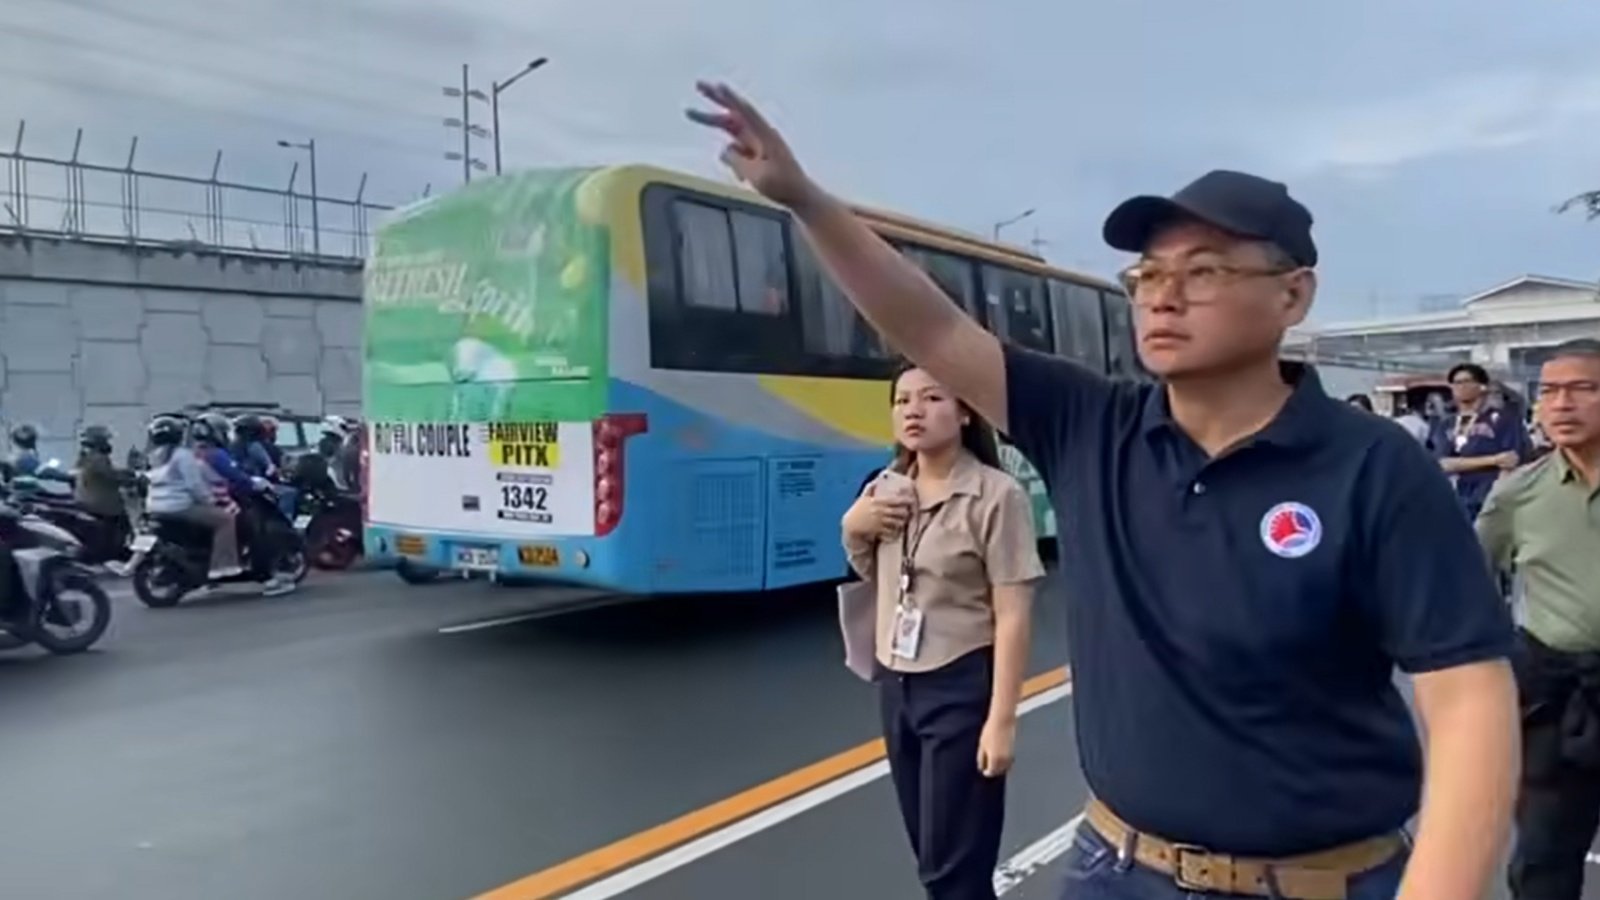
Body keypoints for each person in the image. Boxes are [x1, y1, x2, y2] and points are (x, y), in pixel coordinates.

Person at [686, 82, 1518, 900]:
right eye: (1146, 274)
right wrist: (803, 201)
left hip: (1318, 882)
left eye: (1203, 270)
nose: (1162, 293)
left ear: (1293, 294)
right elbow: (933, 328)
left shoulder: (1374, 466)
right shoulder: (1091, 425)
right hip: (1117, 869)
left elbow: (1470, 704)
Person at [841, 363, 1042, 899]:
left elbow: (1015, 611)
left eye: (931, 398)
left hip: (959, 686)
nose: (913, 410)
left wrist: (1001, 721)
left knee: (954, 870)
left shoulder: (996, 496)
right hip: (896, 684)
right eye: (902, 400)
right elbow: (871, 574)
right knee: (934, 857)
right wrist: (852, 525)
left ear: (964, 411)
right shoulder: (883, 490)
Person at [1476, 339, 1600, 900]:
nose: (1561, 405)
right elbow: (1467, 592)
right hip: (1557, 696)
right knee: (1544, 858)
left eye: (1583, 389)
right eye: (1549, 391)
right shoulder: (1517, 495)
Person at [193, 414, 295, 597]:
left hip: (204, 502)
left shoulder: (195, 453)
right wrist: (255, 483)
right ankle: (266, 578)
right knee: (256, 531)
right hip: (223, 500)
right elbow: (237, 476)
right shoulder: (216, 455)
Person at [143, 415, 242, 581]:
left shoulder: (153, 457)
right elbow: (194, 486)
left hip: (154, 507)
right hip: (179, 507)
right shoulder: (183, 456)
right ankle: (221, 566)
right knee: (225, 519)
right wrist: (210, 500)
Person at [1434, 363, 1523, 520]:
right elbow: (1443, 463)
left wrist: (1499, 496)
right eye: (1456, 383)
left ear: (1482, 386)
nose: (1461, 387)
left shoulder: (1503, 419)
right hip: (1457, 498)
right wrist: (1494, 460)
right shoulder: (1446, 424)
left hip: (1490, 497)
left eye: (1467, 381)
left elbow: (1511, 460)